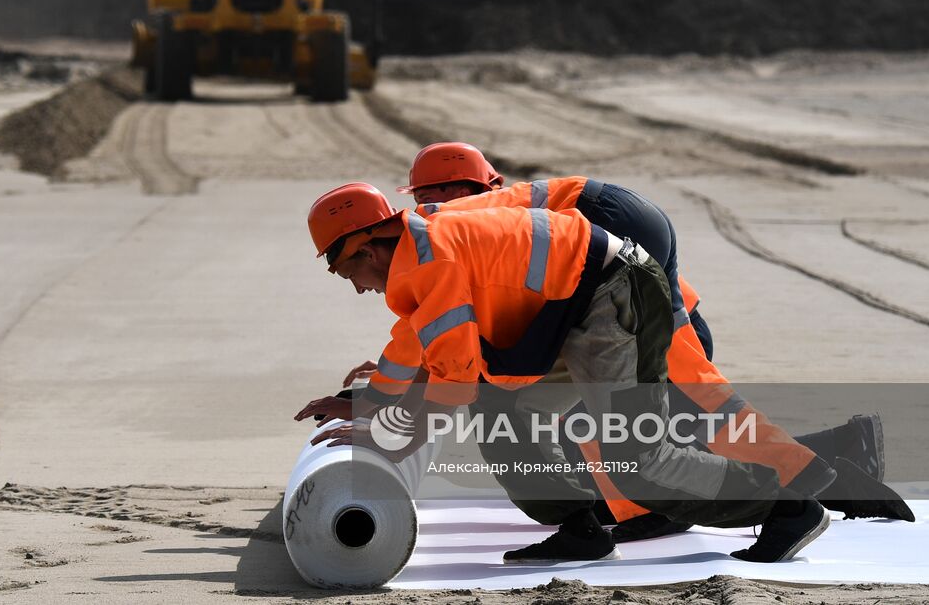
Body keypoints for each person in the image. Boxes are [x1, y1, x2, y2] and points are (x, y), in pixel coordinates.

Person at [352, 142, 911, 541]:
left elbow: (454, 344)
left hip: (639, 318)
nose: (423, 205)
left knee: (665, 429)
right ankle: (833, 455)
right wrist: (385, 390)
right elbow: (447, 337)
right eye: (420, 196)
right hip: (622, 303)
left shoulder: (471, 231)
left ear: (473, 188)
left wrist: (397, 401)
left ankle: (812, 479)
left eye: (433, 193)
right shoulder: (480, 230)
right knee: (644, 431)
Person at [298, 182, 833, 564]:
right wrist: (368, 404)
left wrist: (397, 431)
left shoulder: (430, 254)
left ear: (366, 247)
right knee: (502, 411)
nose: (355, 285)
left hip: (615, 294)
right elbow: (412, 342)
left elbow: (453, 378)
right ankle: (580, 529)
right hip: (572, 309)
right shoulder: (418, 255)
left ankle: (787, 508)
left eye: (347, 270)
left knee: (635, 458)